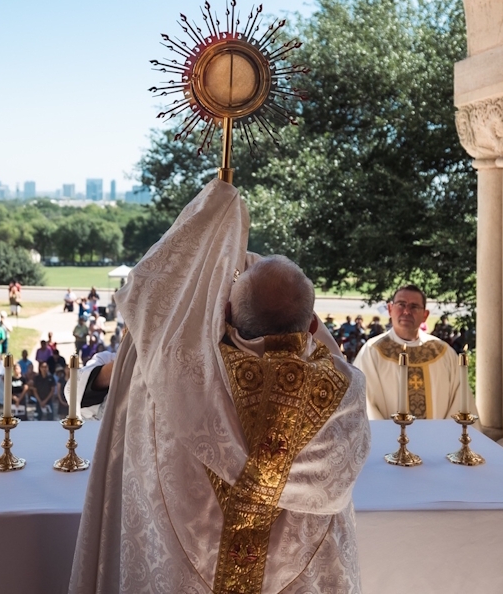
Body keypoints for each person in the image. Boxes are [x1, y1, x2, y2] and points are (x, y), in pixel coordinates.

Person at [69, 180, 370, 593]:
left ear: (226, 312)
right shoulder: (345, 389)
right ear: (313, 325)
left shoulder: (173, 376)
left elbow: (139, 334)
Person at [354, 285, 479, 420]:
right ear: (390, 309)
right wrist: (388, 433)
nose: (407, 311)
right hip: (386, 434)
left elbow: (460, 402)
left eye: (414, 307)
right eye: (401, 304)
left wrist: (444, 433)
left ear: (425, 315)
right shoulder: (372, 352)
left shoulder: (444, 353)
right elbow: (364, 404)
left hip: (438, 434)